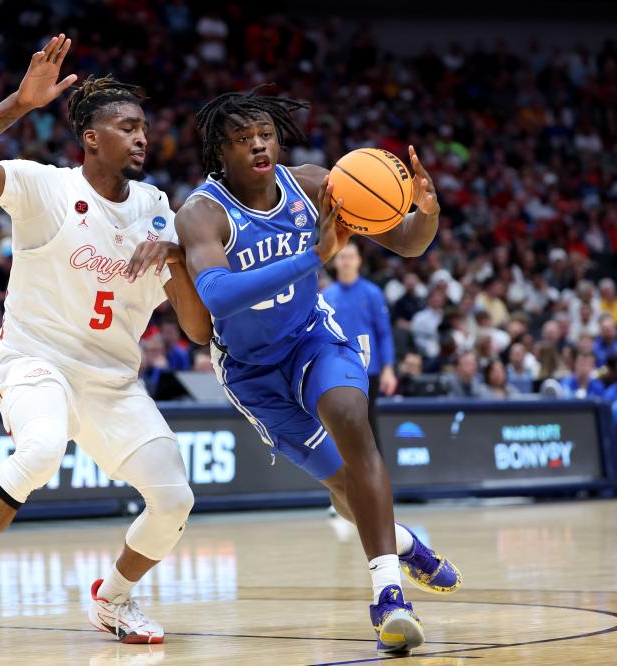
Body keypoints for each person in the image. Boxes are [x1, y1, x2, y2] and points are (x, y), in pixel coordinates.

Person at [0, 36, 211, 656]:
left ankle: (112, 598)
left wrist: (178, 257)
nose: (142, 138)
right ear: (91, 137)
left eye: (145, 128)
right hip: (36, 361)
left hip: (113, 381)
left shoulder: (159, 209)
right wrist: (17, 104)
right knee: (39, 451)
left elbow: (196, 330)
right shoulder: (43, 187)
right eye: (127, 127)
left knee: (174, 498)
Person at [177, 89, 460, 655]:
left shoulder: (311, 184)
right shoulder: (201, 214)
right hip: (252, 371)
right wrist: (313, 255)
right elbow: (218, 295)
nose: (257, 143)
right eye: (240, 138)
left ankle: (389, 597)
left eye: (264, 133)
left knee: (352, 421)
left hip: (311, 336)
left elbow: (405, 242)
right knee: (340, 483)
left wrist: (425, 212)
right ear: (219, 153)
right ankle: (403, 544)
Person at [323, 242, 396, 446]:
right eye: (342, 256)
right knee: (338, 427)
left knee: (367, 424)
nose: (346, 261)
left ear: (359, 261)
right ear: (335, 261)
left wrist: (388, 369)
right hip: (335, 372)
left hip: (367, 370)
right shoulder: (326, 296)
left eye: (351, 256)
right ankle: (345, 477)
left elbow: (384, 333)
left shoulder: (372, 293)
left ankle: (376, 475)